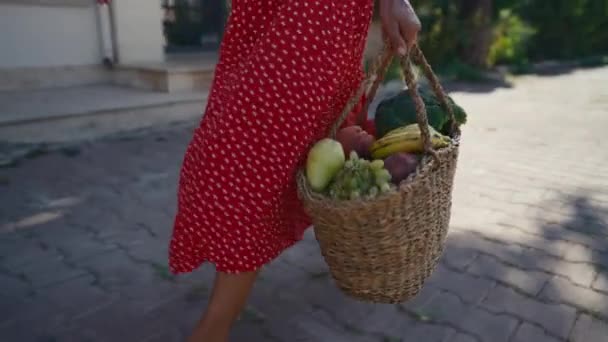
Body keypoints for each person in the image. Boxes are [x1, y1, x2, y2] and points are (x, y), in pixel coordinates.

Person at [168, 0, 421, 341]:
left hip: (315, 16)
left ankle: (214, 328)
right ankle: (219, 317)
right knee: (245, 159)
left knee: (255, 165)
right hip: (263, 15)